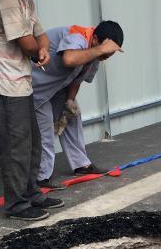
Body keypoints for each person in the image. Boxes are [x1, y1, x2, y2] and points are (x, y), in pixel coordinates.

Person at [0, 0, 64, 221]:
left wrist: (40, 48)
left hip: (21, 82)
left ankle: (31, 194)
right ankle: (16, 205)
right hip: (2, 84)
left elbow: (42, 36)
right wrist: (37, 49)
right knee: (16, 145)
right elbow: (26, 42)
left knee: (32, 142)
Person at [33, 22, 124, 188]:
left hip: (55, 89)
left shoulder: (96, 55)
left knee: (72, 116)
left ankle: (81, 165)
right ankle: (41, 178)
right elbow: (69, 59)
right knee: (45, 127)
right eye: (106, 51)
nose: (107, 56)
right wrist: (101, 50)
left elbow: (77, 79)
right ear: (95, 38)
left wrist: (69, 102)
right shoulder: (78, 36)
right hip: (35, 89)